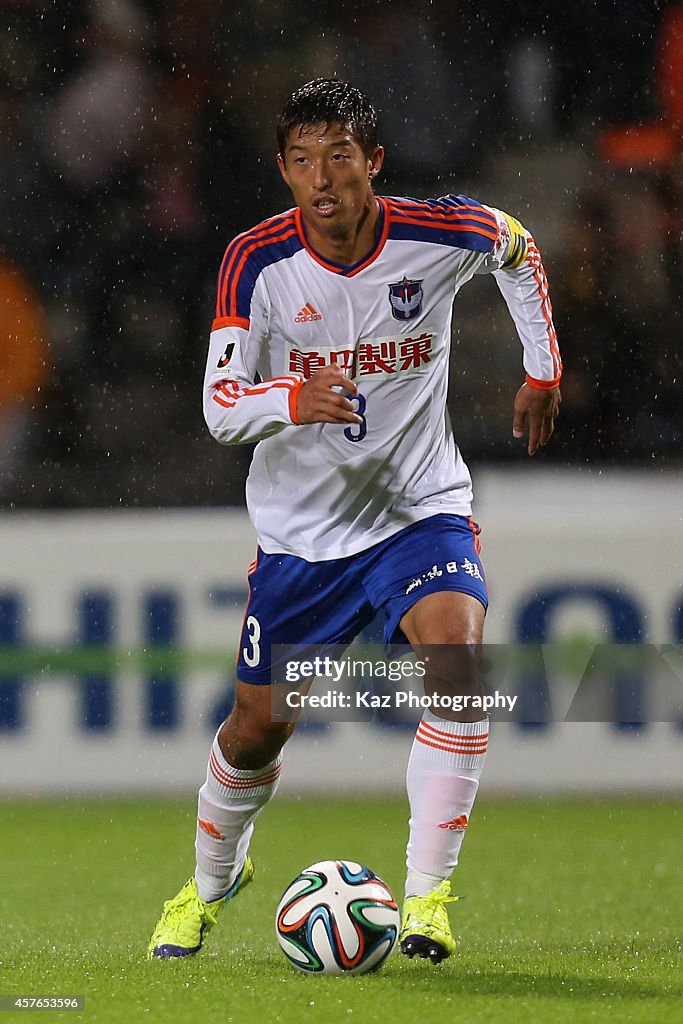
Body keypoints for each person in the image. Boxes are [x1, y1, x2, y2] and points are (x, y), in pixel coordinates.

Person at [148, 79, 561, 965]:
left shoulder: (440, 232)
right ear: (283, 171)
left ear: (373, 162)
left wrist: (542, 367)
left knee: (457, 667)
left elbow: (520, 251)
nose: (321, 177)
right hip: (303, 537)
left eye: (339, 155)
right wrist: (289, 397)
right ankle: (209, 887)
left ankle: (427, 900)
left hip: (419, 512)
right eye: (302, 160)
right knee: (254, 731)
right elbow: (221, 408)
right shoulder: (255, 262)